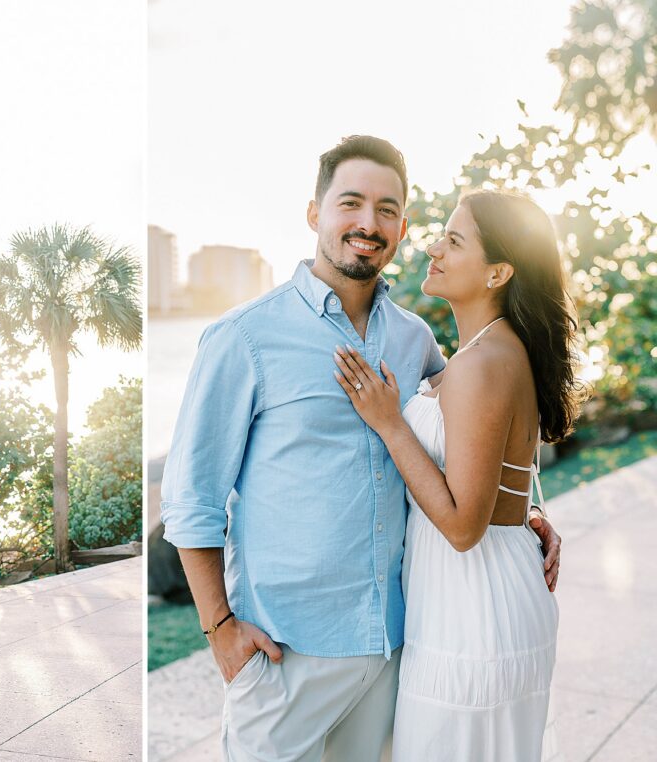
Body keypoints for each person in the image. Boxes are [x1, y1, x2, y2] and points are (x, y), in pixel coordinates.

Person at [160, 135, 562, 761]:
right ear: (315, 211)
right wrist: (220, 632)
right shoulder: (243, 337)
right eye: (351, 203)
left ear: (402, 226)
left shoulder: (415, 337)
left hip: (396, 649)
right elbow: (191, 499)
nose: (368, 224)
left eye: (387, 209)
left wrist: (520, 513)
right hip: (286, 654)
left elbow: (480, 430)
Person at [333, 189, 583, 760]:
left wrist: (390, 423)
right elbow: (492, 465)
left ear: (498, 271)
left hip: (474, 608)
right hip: (475, 593)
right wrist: (527, 516)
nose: (433, 248)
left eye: (454, 240)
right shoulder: (485, 352)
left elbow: (463, 526)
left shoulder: (482, 362)